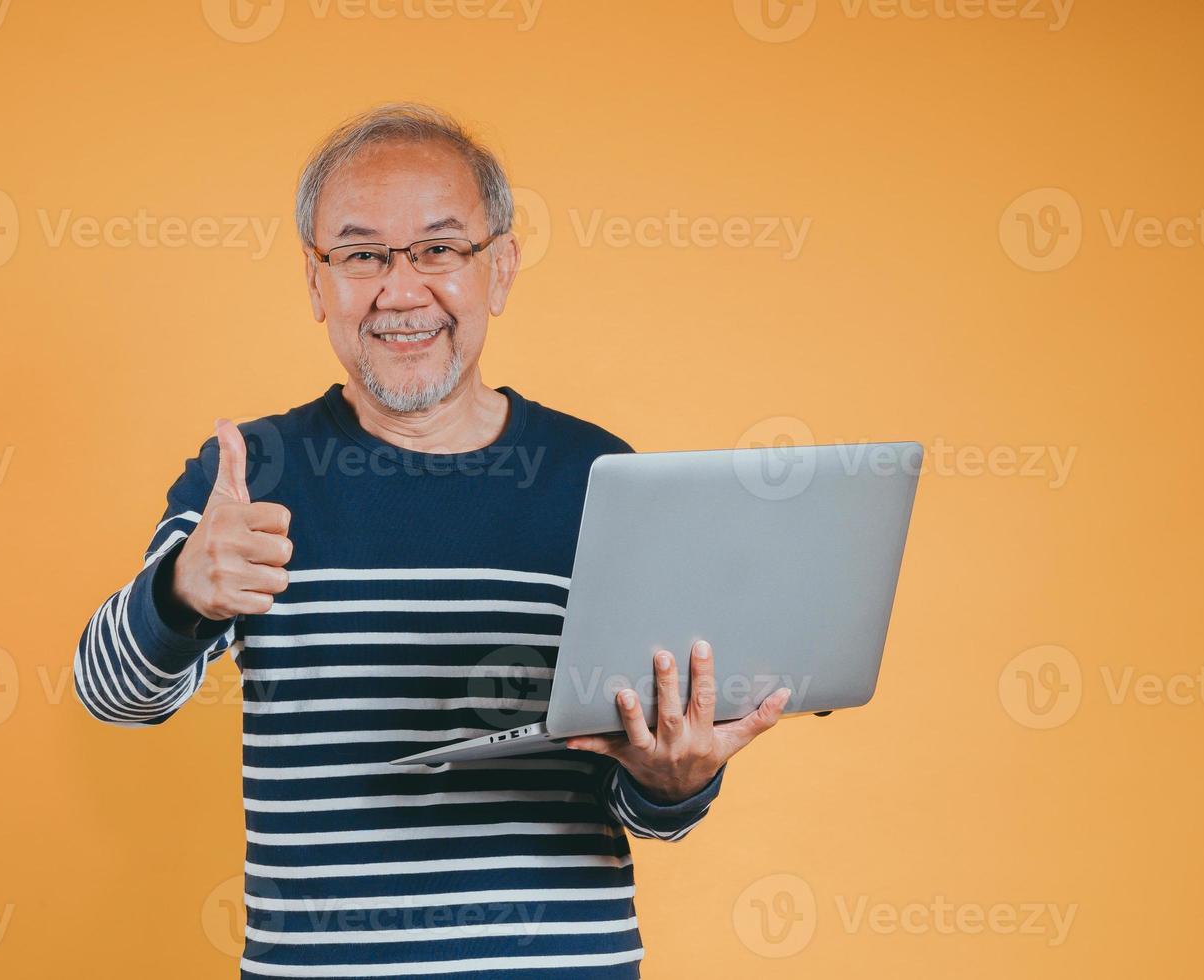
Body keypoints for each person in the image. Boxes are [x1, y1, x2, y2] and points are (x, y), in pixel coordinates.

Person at [72, 101, 790, 979]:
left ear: (502, 269)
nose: (401, 291)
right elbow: (113, 696)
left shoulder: (603, 478)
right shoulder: (250, 475)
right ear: (315, 282)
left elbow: (644, 807)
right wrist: (178, 593)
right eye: (362, 254)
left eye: (440, 250)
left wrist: (675, 781)